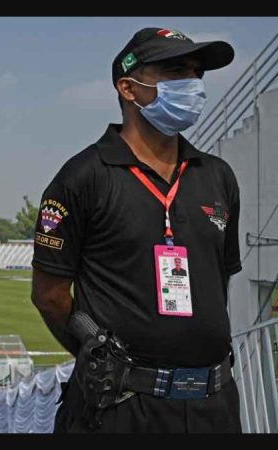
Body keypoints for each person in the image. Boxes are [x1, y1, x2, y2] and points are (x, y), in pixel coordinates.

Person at [31, 27, 241, 433]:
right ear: (129, 87)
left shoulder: (218, 177)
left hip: (214, 405)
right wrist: (101, 358)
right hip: (120, 406)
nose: (193, 84)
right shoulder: (83, 176)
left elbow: (219, 283)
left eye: (197, 73)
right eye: (176, 71)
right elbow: (49, 295)